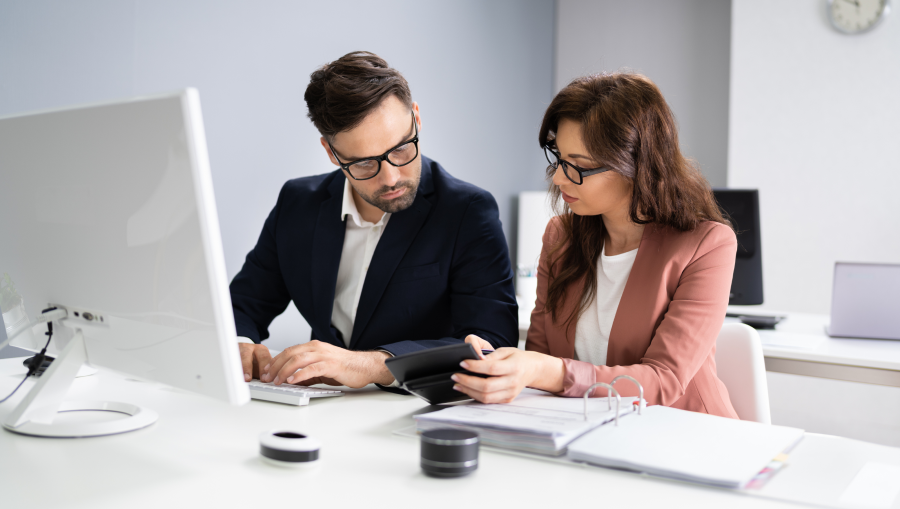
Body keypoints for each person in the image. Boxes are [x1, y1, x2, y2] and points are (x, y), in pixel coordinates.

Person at [454, 72, 739, 418]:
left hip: (685, 436)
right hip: (586, 432)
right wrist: (502, 366)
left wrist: (545, 371)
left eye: (580, 167)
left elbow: (664, 381)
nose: (559, 178)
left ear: (637, 165)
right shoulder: (560, 238)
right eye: (559, 158)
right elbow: (541, 360)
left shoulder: (707, 245)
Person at [230, 51, 517, 389]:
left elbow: (492, 342)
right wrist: (239, 344)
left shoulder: (467, 211)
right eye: (365, 163)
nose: (392, 177)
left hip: (412, 413)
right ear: (330, 152)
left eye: (401, 149)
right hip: (316, 409)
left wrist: (369, 365)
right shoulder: (298, 203)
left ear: (417, 119)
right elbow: (241, 305)